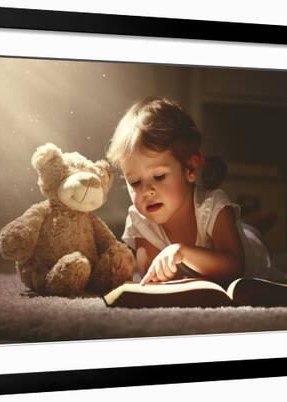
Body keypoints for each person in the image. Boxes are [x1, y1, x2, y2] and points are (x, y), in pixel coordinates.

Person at [106, 96, 272, 287]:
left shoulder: (213, 207)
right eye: (134, 182)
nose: (146, 191)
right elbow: (149, 277)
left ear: (191, 169)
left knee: (252, 235)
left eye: (159, 177)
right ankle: (249, 223)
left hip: (253, 250)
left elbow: (234, 266)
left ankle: (255, 226)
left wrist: (183, 252)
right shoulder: (141, 221)